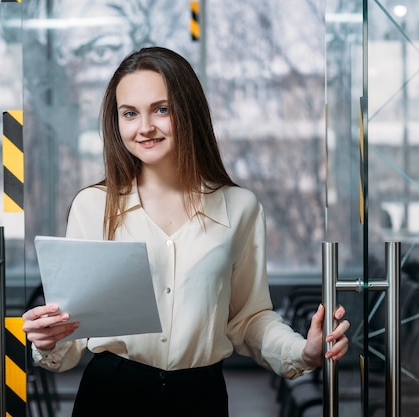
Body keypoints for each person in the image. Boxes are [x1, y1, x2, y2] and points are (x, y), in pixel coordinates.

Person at [22, 46, 350, 417]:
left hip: (200, 399)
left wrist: (301, 352)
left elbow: (249, 319)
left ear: (188, 111)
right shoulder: (92, 206)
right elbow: (71, 335)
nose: (144, 127)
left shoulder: (239, 208)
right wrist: (47, 340)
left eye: (161, 109)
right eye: (129, 114)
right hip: (110, 396)